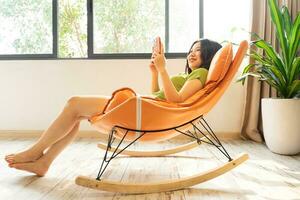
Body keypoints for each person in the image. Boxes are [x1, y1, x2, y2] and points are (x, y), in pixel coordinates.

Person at [4, 38, 221, 176]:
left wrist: (164, 70)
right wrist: (155, 72)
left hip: (144, 112)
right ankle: (44, 163)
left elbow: (174, 103)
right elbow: (160, 95)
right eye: (191, 49)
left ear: (209, 56)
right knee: (76, 113)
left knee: (74, 104)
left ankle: (35, 152)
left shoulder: (201, 75)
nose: (192, 53)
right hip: (147, 109)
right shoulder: (189, 75)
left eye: (199, 50)